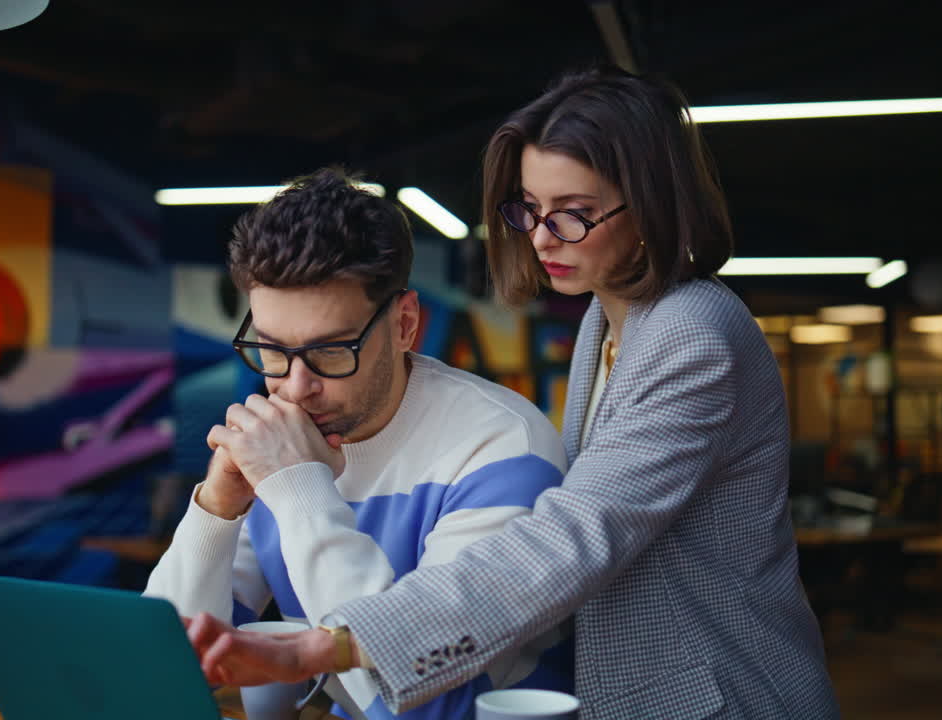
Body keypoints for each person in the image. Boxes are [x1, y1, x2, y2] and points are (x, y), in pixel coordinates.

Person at [187, 66, 841, 719]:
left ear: (651, 205)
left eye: (575, 215)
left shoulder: (692, 335)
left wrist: (327, 648)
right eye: (530, 208)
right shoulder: (607, 322)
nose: (542, 237)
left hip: (721, 695)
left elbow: (572, 537)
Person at [143, 168, 574, 720]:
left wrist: (300, 489)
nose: (296, 387)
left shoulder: (503, 449)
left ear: (404, 325)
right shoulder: (281, 438)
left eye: (330, 352)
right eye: (272, 351)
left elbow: (427, 707)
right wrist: (216, 510)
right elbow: (165, 669)